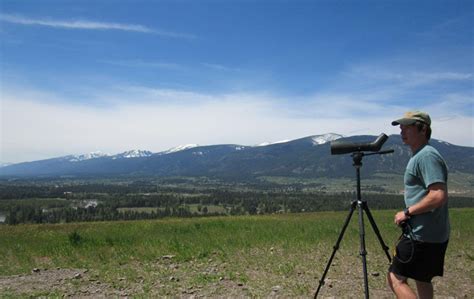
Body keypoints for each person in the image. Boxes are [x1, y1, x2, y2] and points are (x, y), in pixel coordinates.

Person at [387, 111, 450, 299]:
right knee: (422, 278)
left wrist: (407, 211)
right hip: (433, 233)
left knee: (395, 278)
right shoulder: (423, 154)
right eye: (401, 127)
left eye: (407, 127)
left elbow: (438, 195)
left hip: (422, 234)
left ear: (423, 129)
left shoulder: (426, 156)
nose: (401, 131)